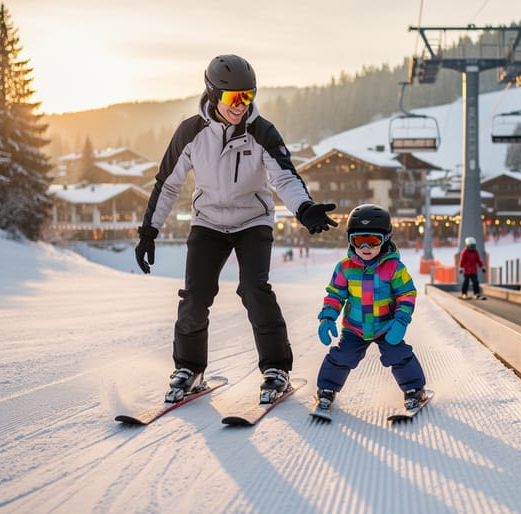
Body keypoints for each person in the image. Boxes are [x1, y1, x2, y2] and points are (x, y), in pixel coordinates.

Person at [134, 54, 338, 404]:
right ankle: (190, 368)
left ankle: (276, 369)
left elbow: (284, 177)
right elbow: (168, 184)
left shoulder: (262, 132)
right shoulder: (190, 132)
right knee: (195, 296)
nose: (241, 105)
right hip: (209, 222)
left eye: (249, 96)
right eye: (233, 98)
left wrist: (304, 209)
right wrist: (148, 232)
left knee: (253, 290)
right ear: (213, 95)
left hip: (252, 220)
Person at [313, 204, 428, 411]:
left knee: (398, 355)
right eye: (358, 240)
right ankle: (326, 390)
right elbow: (335, 295)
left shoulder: (394, 268)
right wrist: (327, 317)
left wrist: (401, 319)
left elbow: (406, 294)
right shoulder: (345, 268)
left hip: (386, 326)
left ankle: (415, 390)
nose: (365, 247)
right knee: (342, 357)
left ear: (386, 239)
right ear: (350, 240)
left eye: (373, 240)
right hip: (355, 328)